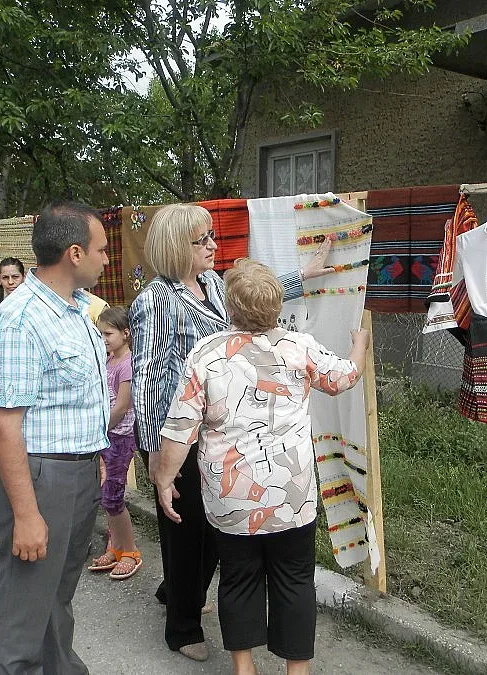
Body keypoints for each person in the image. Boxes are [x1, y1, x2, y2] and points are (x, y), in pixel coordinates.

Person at [129, 203, 332, 661]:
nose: (213, 246)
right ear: (178, 247)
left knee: (214, 530)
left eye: (211, 238)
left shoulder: (212, 284)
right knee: (184, 533)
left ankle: (178, 592)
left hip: (218, 434)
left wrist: (302, 275)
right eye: (202, 240)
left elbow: (252, 305)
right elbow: (145, 375)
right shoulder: (154, 300)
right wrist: (154, 450)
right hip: (177, 433)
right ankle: (182, 627)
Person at [156, 259, 369, 675]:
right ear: (276, 306)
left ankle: (244, 667)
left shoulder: (206, 354)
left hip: (230, 496)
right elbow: (344, 378)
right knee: (294, 579)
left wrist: (165, 479)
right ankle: (297, 672)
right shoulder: (299, 347)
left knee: (238, 578)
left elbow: (181, 426)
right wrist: (358, 343)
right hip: (291, 493)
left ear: (230, 307)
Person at [0, 201, 110, 675]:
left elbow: (69, 403)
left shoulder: (73, 310)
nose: (106, 259)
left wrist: (90, 457)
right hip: (39, 476)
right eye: (101, 250)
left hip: (72, 471)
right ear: (75, 253)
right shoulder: (21, 320)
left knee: (56, 593)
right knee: (24, 602)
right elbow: (2, 425)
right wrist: (27, 515)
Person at [87, 306, 141, 580]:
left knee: (113, 496)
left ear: (126, 333)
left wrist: (99, 429)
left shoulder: (127, 364)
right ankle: (115, 545)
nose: (104, 339)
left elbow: (121, 406)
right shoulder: (107, 361)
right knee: (106, 494)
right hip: (106, 435)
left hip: (119, 435)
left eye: (108, 333)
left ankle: (130, 550)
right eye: (100, 334)